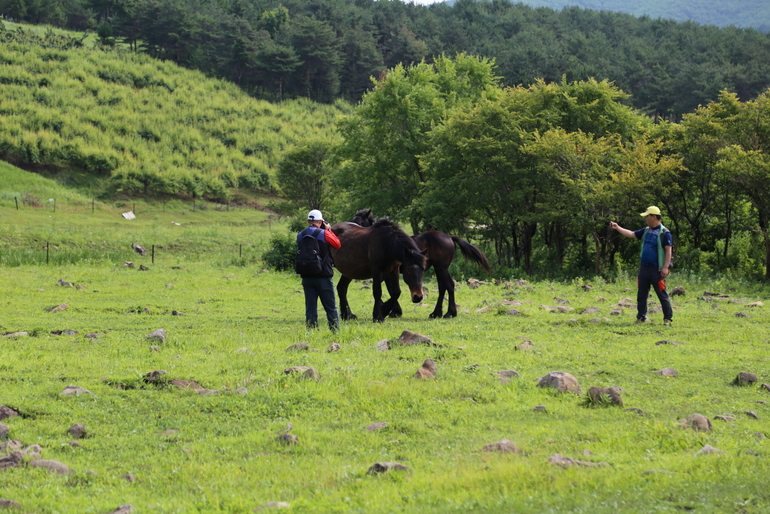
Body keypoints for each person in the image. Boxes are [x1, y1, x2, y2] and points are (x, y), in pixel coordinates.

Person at [610, 206, 674, 325]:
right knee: (642, 294)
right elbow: (631, 234)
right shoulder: (646, 230)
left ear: (654, 217)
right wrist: (617, 227)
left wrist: (665, 267)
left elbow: (668, 251)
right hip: (644, 268)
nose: (645, 219)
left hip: (657, 270)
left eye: (647, 216)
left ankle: (667, 319)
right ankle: (641, 318)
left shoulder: (665, 233)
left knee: (662, 294)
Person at [297, 209, 341, 331]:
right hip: (323, 276)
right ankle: (335, 330)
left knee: (310, 306)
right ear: (321, 221)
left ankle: (311, 330)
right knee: (330, 306)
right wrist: (328, 230)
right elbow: (337, 244)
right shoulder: (324, 233)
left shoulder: (300, 235)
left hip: (306, 276)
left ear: (308, 221)